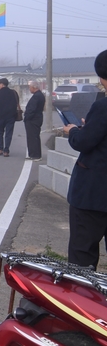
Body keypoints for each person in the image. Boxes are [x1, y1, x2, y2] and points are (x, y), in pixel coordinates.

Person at [63, 50, 107, 269]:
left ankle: (83, 301)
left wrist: (73, 131)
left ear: (101, 77)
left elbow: (83, 142)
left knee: (82, 257)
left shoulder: (102, 107)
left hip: (94, 195)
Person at [0, 78, 18, 157]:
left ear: (2, 84)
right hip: (11, 116)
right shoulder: (14, 93)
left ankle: (0, 149)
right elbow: (17, 103)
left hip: (0, 116)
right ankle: (6, 151)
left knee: (0, 132)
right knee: (8, 133)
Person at [24, 81, 45, 161]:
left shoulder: (37, 96)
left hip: (33, 119)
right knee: (31, 137)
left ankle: (36, 155)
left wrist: (27, 117)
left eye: (30, 87)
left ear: (34, 87)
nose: (29, 89)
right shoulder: (40, 95)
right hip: (37, 118)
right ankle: (32, 153)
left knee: (34, 137)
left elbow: (32, 109)